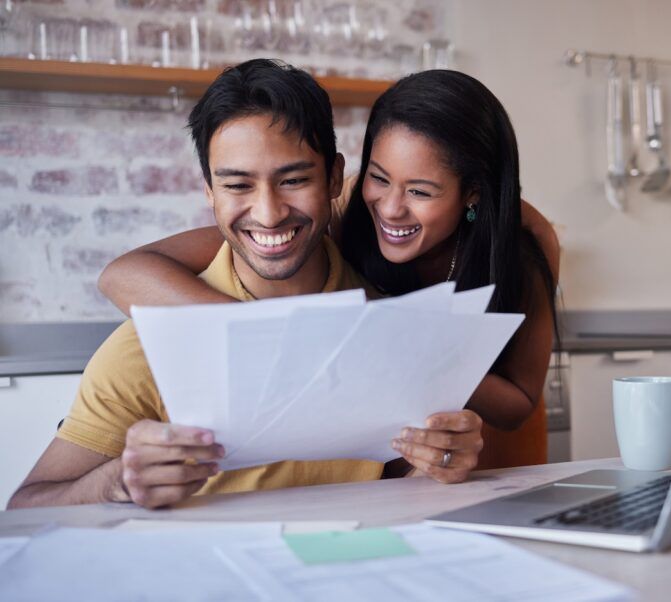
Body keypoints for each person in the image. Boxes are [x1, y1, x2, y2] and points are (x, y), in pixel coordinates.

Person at [7, 59, 484, 511]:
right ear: (209, 192)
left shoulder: (389, 327)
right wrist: (117, 482)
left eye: (294, 179)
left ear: (335, 177)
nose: (269, 212)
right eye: (237, 186)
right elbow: (25, 507)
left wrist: (441, 462)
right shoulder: (145, 348)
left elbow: (404, 482)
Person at [98, 70, 559, 463]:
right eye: (379, 177)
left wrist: (413, 345)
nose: (391, 209)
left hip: (484, 450)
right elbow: (123, 274)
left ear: (473, 192)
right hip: (389, 456)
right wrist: (263, 331)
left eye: (420, 192)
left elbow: (518, 403)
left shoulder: (522, 245)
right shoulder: (340, 211)